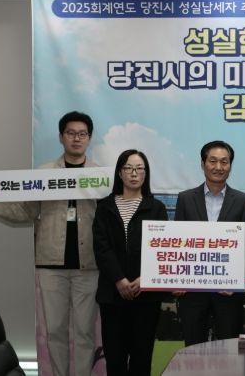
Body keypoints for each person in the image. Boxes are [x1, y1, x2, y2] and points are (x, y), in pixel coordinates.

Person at [0, 111, 98, 376]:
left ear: (89, 138)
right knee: (55, 331)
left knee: (85, 332)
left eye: (82, 134)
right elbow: (27, 210)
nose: (76, 138)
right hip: (51, 264)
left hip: (89, 264)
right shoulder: (43, 173)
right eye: (71, 133)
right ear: (61, 137)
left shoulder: (101, 176)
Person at [92, 149, 167, 376]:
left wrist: (146, 278)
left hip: (146, 295)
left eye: (139, 169)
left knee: (141, 359)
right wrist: (119, 279)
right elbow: (101, 247)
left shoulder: (156, 208)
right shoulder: (104, 206)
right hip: (112, 294)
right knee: (114, 359)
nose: (134, 173)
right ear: (120, 173)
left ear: (146, 173)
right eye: (128, 168)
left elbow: (162, 249)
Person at [174, 140, 245, 346]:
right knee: (193, 349)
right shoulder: (185, 199)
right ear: (203, 164)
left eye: (224, 162)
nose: (219, 167)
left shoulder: (243, 201)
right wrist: (176, 279)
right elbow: (176, 243)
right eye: (213, 161)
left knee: (230, 350)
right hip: (192, 292)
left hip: (228, 293)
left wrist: (235, 279)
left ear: (230, 166)